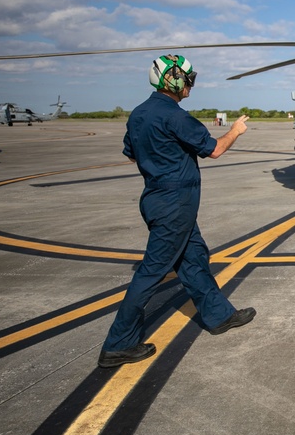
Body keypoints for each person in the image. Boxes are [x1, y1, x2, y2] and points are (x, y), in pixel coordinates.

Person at [99, 54, 255, 368]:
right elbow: (214, 149)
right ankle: (118, 344)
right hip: (174, 205)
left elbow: (131, 156)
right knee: (151, 273)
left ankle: (219, 315)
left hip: (156, 197)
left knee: (194, 257)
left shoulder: (139, 115)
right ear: (173, 79)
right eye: (188, 79)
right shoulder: (175, 116)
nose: (191, 84)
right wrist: (236, 130)